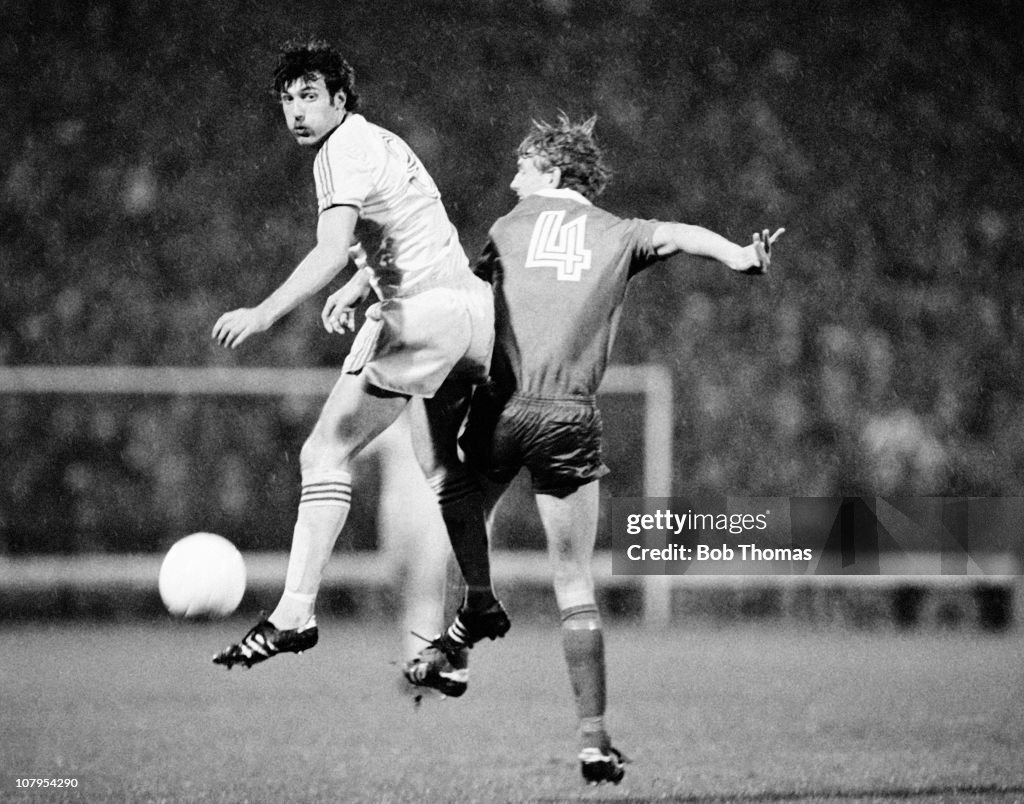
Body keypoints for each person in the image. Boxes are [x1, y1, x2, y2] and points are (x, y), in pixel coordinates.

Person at [402, 114, 783, 785]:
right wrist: (740, 257)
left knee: (465, 517)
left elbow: (462, 305)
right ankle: (593, 739)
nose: (513, 176)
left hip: (500, 410)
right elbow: (682, 235)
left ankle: (460, 642)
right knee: (573, 577)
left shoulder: (504, 230)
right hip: (567, 416)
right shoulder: (620, 231)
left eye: (524, 165)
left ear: (552, 170)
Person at [211, 39, 509, 670]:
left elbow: (329, 247)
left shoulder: (337, 152)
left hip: (422, 318)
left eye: (309, 96)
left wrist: (263, 312)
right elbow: (406, 231)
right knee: (452, 473)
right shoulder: (381, 140)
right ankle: (473, 609)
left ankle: (295, 612)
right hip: (472, 312)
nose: (296, 111)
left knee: (324, 451)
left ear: (339, 100)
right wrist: (358, 283)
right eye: (287, 100)